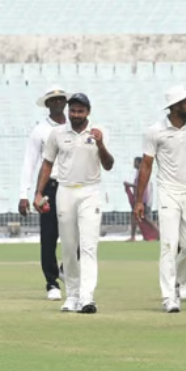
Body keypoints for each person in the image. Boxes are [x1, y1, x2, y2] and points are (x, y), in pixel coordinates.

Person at [34, 93, 114, 314]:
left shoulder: (99, 132)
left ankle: (87, 297)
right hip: (65, 190)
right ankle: (72, 296)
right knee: (69, 247)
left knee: (88, 246)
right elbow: (47, 164)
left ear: (88, 112)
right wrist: (38, 193)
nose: (76, 115)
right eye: (73, 111)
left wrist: (101, 144)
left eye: (80, 111)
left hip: (90, 191)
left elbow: (109, 165)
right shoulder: (57, 133)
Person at [136, 85, 186, 313]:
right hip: (167, 191)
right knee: (169, 245)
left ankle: (179, 279)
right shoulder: (155, 131)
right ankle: (168, 296)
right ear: (175, 107)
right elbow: (146, 166)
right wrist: (139, 201)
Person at [19, 85, 69, 300]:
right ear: (47, 104)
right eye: (53, 100)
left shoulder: (75, 127)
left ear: (65, 102)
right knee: (49, 237)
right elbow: (29, 163)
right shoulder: (40, 131)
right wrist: (24, 193)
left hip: (72, 186)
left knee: (77, 234)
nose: (57, 102)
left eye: (60, 99)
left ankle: (66, 269)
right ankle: (52, 283)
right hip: (49, 187)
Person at [124, 157, 158, 241]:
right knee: (135, 217)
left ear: (139, 163)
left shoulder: (141, 172)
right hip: (139, 198)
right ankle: (133, 236)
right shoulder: (138, 172)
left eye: (135, 162)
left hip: (142, 199)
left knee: (145, 218)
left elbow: (140, 185)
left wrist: (129, 185)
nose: (134, 164)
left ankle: (159, 233)